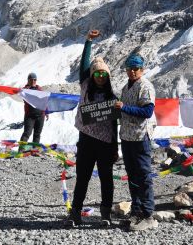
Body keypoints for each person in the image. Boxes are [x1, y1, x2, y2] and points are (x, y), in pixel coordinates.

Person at [67, 29, 118, 227]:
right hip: (86, 140)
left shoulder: (112, 97)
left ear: (107, 76)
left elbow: (114, 123)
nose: (99, 76)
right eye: (96, 72)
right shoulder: (85, 86)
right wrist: (88, 42)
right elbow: (84, 65)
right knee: (83, 178)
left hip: (105, 143)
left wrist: (115, 147)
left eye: (103, 74)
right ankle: (75, 214)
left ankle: (106, 214)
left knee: (107, 180)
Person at [114, 53, 157, 231]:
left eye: (136, 69)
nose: (132, 72)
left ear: (142, 69)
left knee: (144, 176)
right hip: (126, 137)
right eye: (129, 68)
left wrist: (124, 107)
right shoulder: (126, 87)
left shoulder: (145, 86)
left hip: (140, 137)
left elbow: (147, 112)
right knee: (132, 175)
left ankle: (148, 214)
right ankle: (136, 210)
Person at [19, 73, 48, 144]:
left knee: (37, 134)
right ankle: (21, 150)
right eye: (31, 79)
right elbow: (23, 97)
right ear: (28, 80)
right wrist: (27, 89)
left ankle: (35, 151)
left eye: (34, 80)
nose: (33, 81)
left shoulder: (39, 89)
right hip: (30, 116)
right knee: (27, 133)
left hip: (41, 115)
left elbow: (44, 101)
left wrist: (46, 112)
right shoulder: (25, 90)